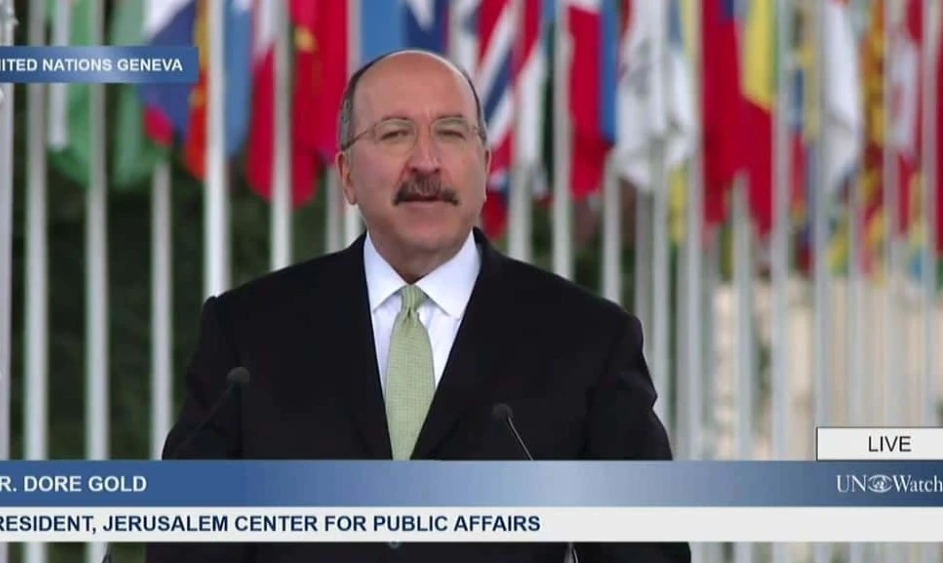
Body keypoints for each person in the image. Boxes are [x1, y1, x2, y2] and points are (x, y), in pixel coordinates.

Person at [145, 49, 690, 563]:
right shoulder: (247, 334)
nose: (426, 161)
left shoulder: (589, 342)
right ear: (348, 175)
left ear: (484, 164)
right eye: (395, 133)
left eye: (451, 133)